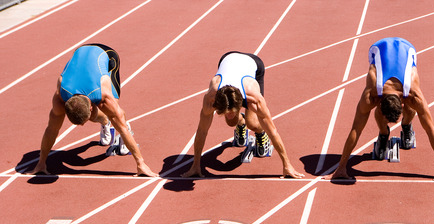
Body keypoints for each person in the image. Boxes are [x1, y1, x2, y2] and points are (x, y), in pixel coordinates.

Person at [331, 37, 434, 181]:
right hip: (378, 48)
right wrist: (341, 166)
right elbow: (356, 129)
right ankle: (383, 133)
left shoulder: (413, 94)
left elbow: (431, 128)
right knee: (373, 117)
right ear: (378, 104)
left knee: (414, 109)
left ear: (402, 102)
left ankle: (406, 126)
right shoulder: (371, 94)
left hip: (407, 47)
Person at [31, 44, 157, 176]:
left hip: (106, 55)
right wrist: (41, 162)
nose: (84, 125)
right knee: (101, 117)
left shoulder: (103, 96)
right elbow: (51, 130)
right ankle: (105, 123)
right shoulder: (60, 97)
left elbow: (122, 127)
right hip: (80, 52)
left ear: (92, 107)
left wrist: (140, 163)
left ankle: (113, 127)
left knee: (117, 116)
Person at [182, 51, 304, 178]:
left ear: (241, 104)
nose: (228, 115)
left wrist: (287, 165)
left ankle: (260, 134)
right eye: (226, 113)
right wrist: (195, 165)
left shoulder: (253, 98)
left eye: (232, 112)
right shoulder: (210, 98)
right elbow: (202, 130)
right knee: (231, 123)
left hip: (254, 65)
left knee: (253, 123)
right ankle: (241, 122)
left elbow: (273, 130)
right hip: (227, 57)